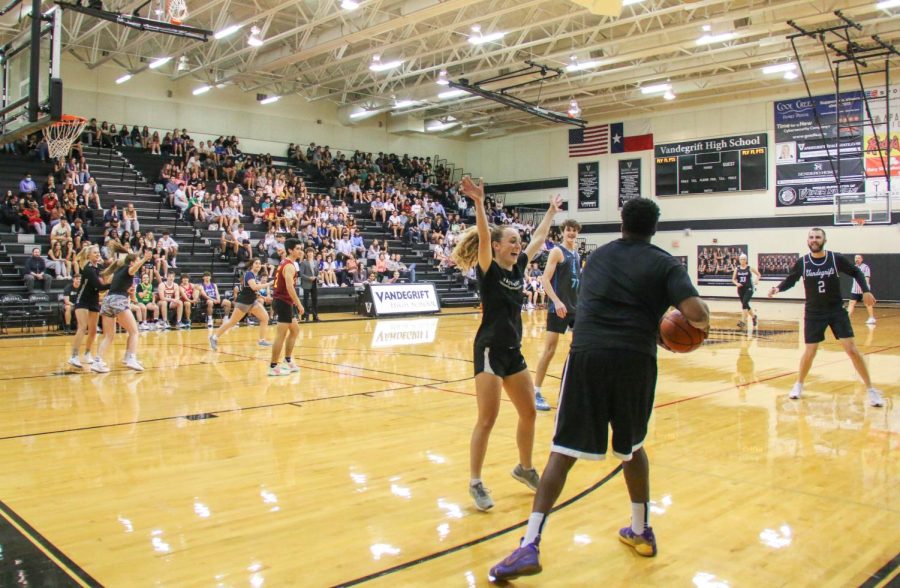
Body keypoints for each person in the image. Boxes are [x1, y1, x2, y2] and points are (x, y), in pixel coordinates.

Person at [489, 198, 710, 582]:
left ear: (622, 223)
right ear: (653, 229)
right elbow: (697, 316)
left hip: (589, 354)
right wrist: (665, 329)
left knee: (563, 451)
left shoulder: (599, 258)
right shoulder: (665, 263)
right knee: (633, 447)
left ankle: (529, 544)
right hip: (635, 361)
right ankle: (641, 530)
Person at [449, 176, 560, 512]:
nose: (517, 245)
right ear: (497, 247)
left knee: (528, 412)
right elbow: (483, 236)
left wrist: (552, 213)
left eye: (518, 241)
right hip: (489, 351)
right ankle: (476, 481)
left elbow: (539, 239)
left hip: (513, 352)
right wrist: (479, 204)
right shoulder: (490, 270)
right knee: (488, 418)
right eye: (511, 241)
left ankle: (524, 468)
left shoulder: (519, 267)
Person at [768, 228, 884, 407]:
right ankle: (798, 384)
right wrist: (778, 288)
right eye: (811, 237)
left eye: (818, 237)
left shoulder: (834, 258)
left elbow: (856, 272)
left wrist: (866, 291)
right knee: (810, 351)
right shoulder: (803, 262)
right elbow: (791, 280)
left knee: (852, 350)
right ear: (808, 240)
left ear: (824, 240)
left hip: (836, 310)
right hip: (814, 312)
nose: (814, 240)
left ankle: (871, 389)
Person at [532, 219, 581, 412]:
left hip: (575, 308)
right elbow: (544, 279)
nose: (571, 233)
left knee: (579, 351)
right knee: (550, 350)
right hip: (557, 309)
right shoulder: (557, 251)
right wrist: (557, 301)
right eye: (568, 230)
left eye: (574, 230)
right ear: (562, 232)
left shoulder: (576, 254)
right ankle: (536, 391)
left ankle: (574, 391)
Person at [92, 244, 153, 373]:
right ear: (132, 262)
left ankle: (98, 361)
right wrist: (144, 259)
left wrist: (129, 290)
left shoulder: (118, 271)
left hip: (108, 301)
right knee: (134, 332)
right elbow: (133, 269)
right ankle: (131, 358)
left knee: (109, 335)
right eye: (135, 261)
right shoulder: (128, 269)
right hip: (118, 301)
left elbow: (119, 286)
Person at [209, 259, 273, 350]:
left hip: (252, 301)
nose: (258, 265)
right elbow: (254, 287)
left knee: (265, 318)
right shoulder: (249, 274)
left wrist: (263, 297)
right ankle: (214, 337)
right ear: (252, 265)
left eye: (259, 264)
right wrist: (269, 284)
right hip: (243, 302)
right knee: (232, 322)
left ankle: (262, 340)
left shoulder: (255, 275)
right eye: (256, 263)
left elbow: (253, 290)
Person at [268, 239, 305, 376]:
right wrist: (299, 304)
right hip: (283, 302)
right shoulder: (289, 266)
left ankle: (287, 360)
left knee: (295, 330)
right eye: (297, 248)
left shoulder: (288, 263)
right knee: (281, 335)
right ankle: (273, 366)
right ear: (290, 250)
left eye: (301, 248)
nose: (300, 251)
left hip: (285, 302)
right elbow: (289, 287)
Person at [68, 246, 108, 368]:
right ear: (89, 255)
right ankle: (74, 356)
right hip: (83, 300)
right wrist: (114, 285)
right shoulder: (88, 269)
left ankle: (87, 353)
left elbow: (105, 278)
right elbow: (99, 286)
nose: (97, 254)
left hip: (94, 300)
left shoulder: (100, 268)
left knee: (93, 329)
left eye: (98, 252)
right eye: (95, 253)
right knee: (82, 327)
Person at [731, 253, 760, 328]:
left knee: (744, 303)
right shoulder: (737, 269)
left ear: (746, 260)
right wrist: (737, 284)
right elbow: (733, 279)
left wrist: (756, 280)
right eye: (741, 259)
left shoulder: (749, 268)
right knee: (745, 305)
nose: (742, 260)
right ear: (739, 260)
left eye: (744, 259)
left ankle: (743, 322)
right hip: (740, 289)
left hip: (749, 288)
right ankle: (754, 317)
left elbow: (759, 274)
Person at [847, 254, 875, 325]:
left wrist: (866, 290)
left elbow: (867, 279)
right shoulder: (853, 267)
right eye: (856, 258)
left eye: (859, 258)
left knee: (867, 303)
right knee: (851, 303)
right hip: (855, 290)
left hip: (864, 290)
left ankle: (871, 318)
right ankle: (846, 318)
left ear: (862, 259)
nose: (857, 259)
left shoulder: (865, 267)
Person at [299, 248, 320, 322]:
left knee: (315, 300)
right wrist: (309, 278)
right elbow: (301, 274)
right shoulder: (304, 263)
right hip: (306, 283)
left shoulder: (316, 262)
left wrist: (317, 277)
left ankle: (315, 316)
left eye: (311, 252)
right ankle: (306, 315)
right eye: (309, 252)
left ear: (313, 253)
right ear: (306, 253)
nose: (310, 253)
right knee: (306, 301)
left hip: (314, 283)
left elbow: (318, 272)